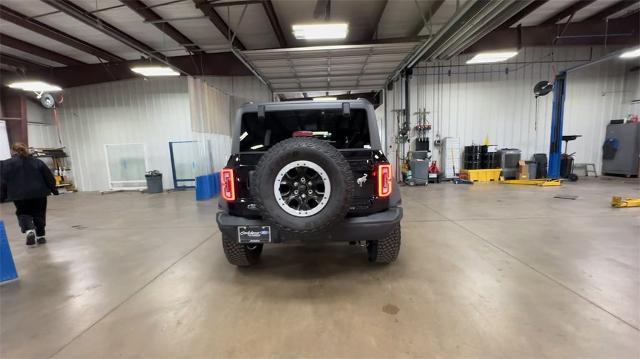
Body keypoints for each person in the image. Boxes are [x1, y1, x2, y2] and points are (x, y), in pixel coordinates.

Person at [0, 143, 58, 246]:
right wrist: (54, 189)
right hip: (39, 193)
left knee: (23, 212)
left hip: (19, 194)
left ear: (12, 151)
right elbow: (48, 177)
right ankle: (40, 236)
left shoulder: (5, 165)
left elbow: (2, 182)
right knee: (39, 213)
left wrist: (2, 196)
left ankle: (29, 230)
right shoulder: (37, 162)